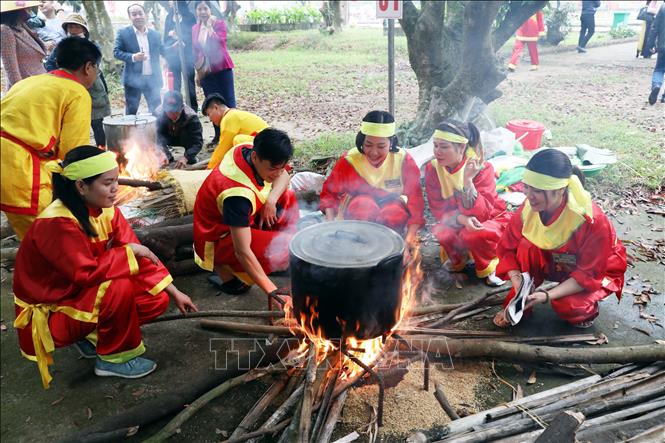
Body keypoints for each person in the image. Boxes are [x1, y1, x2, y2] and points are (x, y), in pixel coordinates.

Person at [13, 146, 197, 388]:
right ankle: (113, 359)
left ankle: (90, 335)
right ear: (81, 186)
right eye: (107, 183)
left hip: (78, 297)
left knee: (156, 299)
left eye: (116, 181)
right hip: (53, 311)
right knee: (116, 287)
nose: (115, 189)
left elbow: (139, 255)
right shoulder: (57, 222)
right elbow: (86, 273)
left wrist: (175, 292)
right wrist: (128, 252)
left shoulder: (106, 210)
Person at [493, 149, 627, 329]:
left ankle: (586, 307)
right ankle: (525, 296)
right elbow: (507, 248)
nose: (528, 195)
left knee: (570, 307)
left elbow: (589, 273)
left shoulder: (591, 220)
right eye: (527, 187)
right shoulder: (529, 208)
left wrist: (547, 295)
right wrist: (518, 283)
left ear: (560, 190)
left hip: (595, 269)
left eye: (538, 190)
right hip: (559, 262)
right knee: (527, 245)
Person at [1, 37, 100, 240]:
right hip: (22, 171)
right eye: (97, 68)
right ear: (88, 67)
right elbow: (73, 154)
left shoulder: (30, 81)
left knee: (30, 237)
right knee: (50, 237)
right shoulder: (77, 92)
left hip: (7, 163)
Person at [193, 128, 299, 297]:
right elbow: (242, 251)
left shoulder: (250, 148)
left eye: (280, 167)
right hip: (219, 236)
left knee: (287, 197)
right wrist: (274, 293)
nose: (278, 173)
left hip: (244, 217)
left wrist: (271, 200)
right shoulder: (236, 195)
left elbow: (284, 175)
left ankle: (277, 260)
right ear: (256, 157)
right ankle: (225, 272)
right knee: (288, 246)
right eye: (273, 168)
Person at [424, 120, 510, 286]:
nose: (437, 152)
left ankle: (491, 263)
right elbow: (437, 208)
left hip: (489, 218)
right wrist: (462, 219)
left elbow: (483, 213)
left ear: (461, 148)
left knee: (473, 233)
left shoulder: (481, 168)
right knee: (441, 230)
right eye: (435, 146)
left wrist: (468, 181)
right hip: (458, 219)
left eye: (444, 147)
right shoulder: (433, 169)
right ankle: (460, 258)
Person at [319, 110, 425, 245]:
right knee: (363, 208)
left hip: (392, 203)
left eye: (381, 146)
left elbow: (415, 199)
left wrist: (411, 235)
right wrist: (329, 222)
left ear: (391, 143)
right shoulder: (350, 160)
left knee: (392, 215)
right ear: (361, 140)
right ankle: (357, 250)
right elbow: (329, 193)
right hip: (357, 207)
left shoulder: (403, 160)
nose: (374, 152)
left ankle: (388, 251)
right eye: (368, 144)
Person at [45, 13, 111, 147]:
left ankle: (101, 149)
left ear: (84, 29)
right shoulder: (61, 47)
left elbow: (95, 65)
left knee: (97, 122)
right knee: (74, 121)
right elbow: (50, 64)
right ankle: (77, 152)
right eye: (70, 26)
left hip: (92, 86)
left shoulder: (92, 46)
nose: (73, 29)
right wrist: (60, 75)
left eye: (76, 26)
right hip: (68, 86)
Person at [193, 1, 236, 147]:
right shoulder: (195, 28)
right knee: (212, 105)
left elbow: (221, 43)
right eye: (199, 9)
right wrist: (197, 72)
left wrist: (210, 27)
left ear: (210, 10)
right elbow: (196, 50)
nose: (203, 11)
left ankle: (232, 135)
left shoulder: (219, 24)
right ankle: (218, 136)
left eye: (205, 8)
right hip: (206, 72)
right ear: (196, 12)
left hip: (222, 69)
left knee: (228, 102)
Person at [114, 3, 164, 115]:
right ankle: (131, 133)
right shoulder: (123, 33)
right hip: (133, 80)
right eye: (134, 14)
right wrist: (133, 57)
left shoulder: (155, 34)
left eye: (140, 13)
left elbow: (163, 50)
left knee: (156, 111)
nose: (138, 16)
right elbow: (116, 52)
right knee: (131, 112)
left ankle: (156, 132)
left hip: (152, 79)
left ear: (145, 14)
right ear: (129, 17)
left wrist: (174, 46)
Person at [201, 93, 268, 169]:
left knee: (238, 140)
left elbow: (223, 147)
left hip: (266, 147)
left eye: (209, 114)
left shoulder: (229, 118)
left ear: (216, 107)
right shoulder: (232, 115)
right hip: (264, 143)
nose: (210, 119)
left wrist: (210, 168)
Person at [0, 1, 47, 90]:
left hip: (40, 85)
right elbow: (11, 70)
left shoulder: (22, 26)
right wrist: (21, 92)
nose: (29, 9)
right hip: (27, 90)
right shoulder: (5, 30)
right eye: (26, 7)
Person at [164, 0, 198, 111]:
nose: (171, 3)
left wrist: (180, 37)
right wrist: (172, 44)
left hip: (187, 56)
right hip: (173, 57)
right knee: (175, 86)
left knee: (189, 83)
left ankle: (192, 108)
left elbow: (193, 35)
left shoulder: (189, 17)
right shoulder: (169, 17)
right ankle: (177, 109)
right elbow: (165, 39)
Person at [156, 91, 203, 168]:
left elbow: (198, 142)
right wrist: (161, 152)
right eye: (169, 111)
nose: (172, 114)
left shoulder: (191, 117)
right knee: (156, 136)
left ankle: (189, 157)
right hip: (167, 137)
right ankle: (167, 156)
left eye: (175, 111)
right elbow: (155, 136)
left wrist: (186, 157)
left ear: (182, 107)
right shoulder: (158, 113)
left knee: (190, 159)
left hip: (184, 138)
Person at [648, 1, 665, 104]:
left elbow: (654, 27)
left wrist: (651, 44)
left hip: (663, 46)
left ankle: (656, 85)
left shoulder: (663, 7)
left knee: (659, 69)